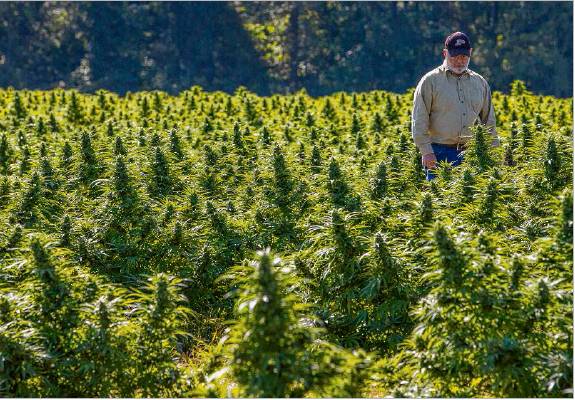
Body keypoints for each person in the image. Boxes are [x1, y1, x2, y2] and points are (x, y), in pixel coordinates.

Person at [411, 31, 499, 180]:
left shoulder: (480, 83)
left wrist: (494, 153)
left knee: (470, 201)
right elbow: (419, 120)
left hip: (472, 154)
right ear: (445, 53)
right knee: (439, 200)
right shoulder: (430, 81)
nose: (460, 61)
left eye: (464, 56)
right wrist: (426, 152)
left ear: (470, 53)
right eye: (455, 56)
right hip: (439, 154)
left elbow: (488, 122)